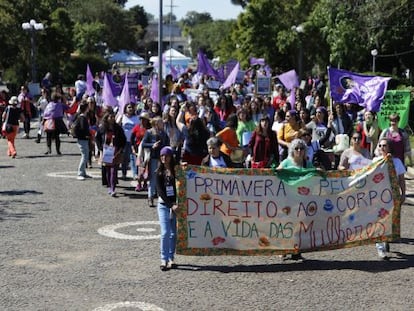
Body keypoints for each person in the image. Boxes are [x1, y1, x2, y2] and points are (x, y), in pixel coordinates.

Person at [277, 138, 314, 260]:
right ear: (292, 150)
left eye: (301, 148)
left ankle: (296, 251)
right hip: (287, 198)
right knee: (287, 224)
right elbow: (276, 173)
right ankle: (284, 249)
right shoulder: (287, 162)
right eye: (296, 148)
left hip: (301, 200)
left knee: (298, 225)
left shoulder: (307, 164)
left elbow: (313, 175)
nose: (299, 150)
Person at [373, 137, 406, 259]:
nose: (382, 148)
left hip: (392, 196)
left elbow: (401, 180)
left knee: (390, 221)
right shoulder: (375, 161)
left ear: (389, 147)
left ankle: (386, 240)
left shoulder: (397, 162)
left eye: (384, 145)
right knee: (379, 221)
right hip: (378, 197)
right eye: (380, 145)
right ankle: (380, 248)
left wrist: (403, 194)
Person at [156, 146, 179, 271]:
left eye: (167, 156)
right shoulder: (159, 173)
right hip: (164, 206)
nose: (164, 158)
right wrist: (172, 205)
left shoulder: (176, 171)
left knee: (173, 234)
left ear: (171, 157)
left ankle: (171, 257)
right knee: (165, 232)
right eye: (162, 156)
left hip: (175, 206)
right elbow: (160, 192)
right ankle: (163, 259)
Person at [96, 110, 126, 197]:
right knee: (108, 170)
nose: (112, 119)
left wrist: (120, 149)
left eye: (113, 117)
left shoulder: (118, 128)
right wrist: (100, 148)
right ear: (107, 118)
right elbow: (97, 138)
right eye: (110, 117)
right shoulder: (102, 128)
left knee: (114, 170)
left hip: (116, 151)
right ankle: (110, 186)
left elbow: (123, 139)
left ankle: (113, 188)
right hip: (106, 151)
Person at [141, 116, 170, 206]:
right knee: (153, 177)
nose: (163, 124)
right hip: (153, 158)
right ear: (156, 124)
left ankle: (161, 196)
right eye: (161, 122)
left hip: (162, 158)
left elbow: (167, 144)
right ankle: (150, 197)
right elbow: (143, 144)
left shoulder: (164, 133)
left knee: (163, 177)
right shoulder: (149, 132)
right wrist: (152, 145)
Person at [117, 103, 139, 180]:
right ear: (125, 108)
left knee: (134, 158)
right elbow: (117, 127)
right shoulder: (122, 117)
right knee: (124, 158)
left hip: (133, 141)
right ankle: (124, 173)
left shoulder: (136, 118)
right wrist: (119, 120)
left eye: (132, 107)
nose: (130, 109)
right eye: (129, 107)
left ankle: (135, 174)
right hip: (124, 141)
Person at [73, 101, 92, 180]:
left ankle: (83, 172)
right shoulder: (82, 118)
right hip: (82, 139)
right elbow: (83, 128)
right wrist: (88, 134)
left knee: (85, 155)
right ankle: (80, 172)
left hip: (82, 138)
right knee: (85, 156)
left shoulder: (81, 117)